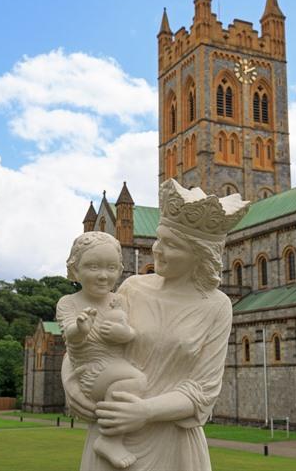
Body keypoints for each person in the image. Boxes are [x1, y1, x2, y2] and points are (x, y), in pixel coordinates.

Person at [62, 179, 249, 471]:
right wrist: (70, 384)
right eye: (159, 239)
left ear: (199, 253)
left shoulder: (217, 306)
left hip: (172, 442)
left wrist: (144, 411)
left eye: (171, 245)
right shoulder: (132, 288)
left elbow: (204, 390)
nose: (157, 250)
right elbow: (90, 341)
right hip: (111, 435)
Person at [56, 232, 147, 469]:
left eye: (111, 268)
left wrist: (124, 334)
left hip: (115, 367)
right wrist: (80, 329)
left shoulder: (119, 301)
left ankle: (112, 437)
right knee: (137, 380)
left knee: (131, 380)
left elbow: (130, 333)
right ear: (75, 270)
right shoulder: (68, 302)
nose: (103, 275)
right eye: (93, 267)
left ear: (120, 270)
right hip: (91, 371)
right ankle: (110, 440)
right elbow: (69, 338)